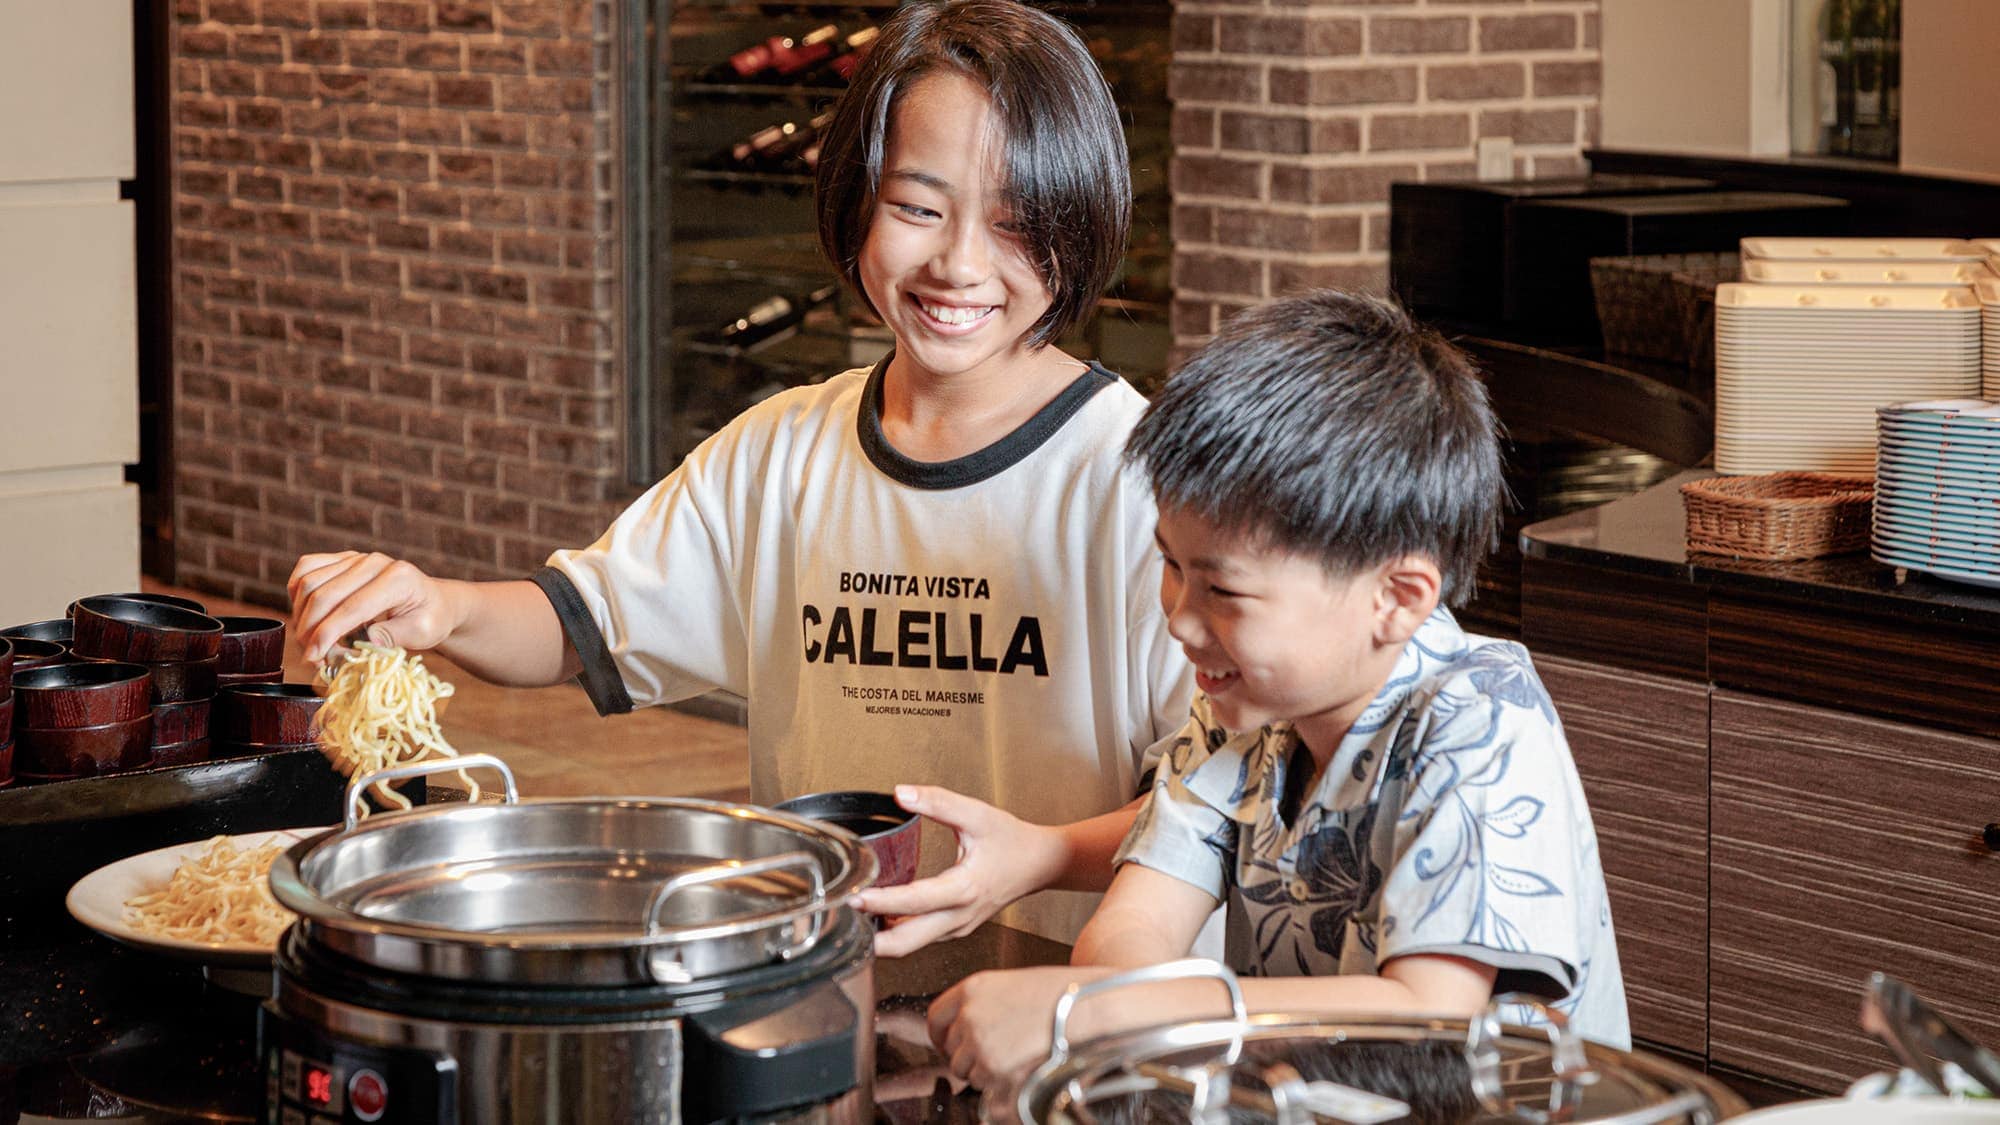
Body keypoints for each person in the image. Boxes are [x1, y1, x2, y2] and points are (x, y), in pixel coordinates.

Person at [286, 0, 1191, 949]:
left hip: (1055, 990)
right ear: (857, 201)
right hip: (813, 966)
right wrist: (441, 607)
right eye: (918, 208)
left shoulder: (1142, 480)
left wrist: (1042, 852)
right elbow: (580, 622)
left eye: (1014, 223)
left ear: (1082, 223)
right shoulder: (784, 452)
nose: (959, 262)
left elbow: (1225, 805)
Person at [927, 290, 1631, 1101]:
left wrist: (1097, 1017)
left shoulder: (1484, 716)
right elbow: (1135, 923)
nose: (1182, 620)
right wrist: (1108, 1003)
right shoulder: (1243, 712)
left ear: (1397, 597)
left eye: (1224, 589)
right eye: (1171, 566)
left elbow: (1431, 1017)